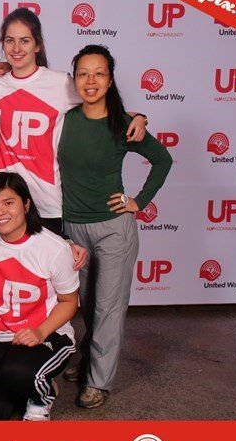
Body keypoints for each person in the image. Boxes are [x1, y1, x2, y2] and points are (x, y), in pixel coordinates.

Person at [58, 44, 172, 409]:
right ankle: (90, 360)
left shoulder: (123, 124)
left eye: (99, 73)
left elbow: (162, 160)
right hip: (74, 227)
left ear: (110, 79)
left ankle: (99, 381)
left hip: (113, 229)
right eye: (83, 74)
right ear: (74, 79)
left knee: (109, 307)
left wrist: (139, 201)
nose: (90, 81)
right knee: (88, 303)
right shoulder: (66, 119)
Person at [0, 8, 146, 237]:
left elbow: (98, 103)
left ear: (37, 45)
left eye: (25, 40)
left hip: (47, 202)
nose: (16, 48)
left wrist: (138, 116)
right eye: (10, 41)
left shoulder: (59, 83)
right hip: (4, 202)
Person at [0, 172, 79, 421]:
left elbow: (69, 301)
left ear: (27, 204)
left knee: (18, 371)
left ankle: (42, 395)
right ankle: (27, 383)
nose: (0, 212)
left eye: (9, 203)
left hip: (48, 334)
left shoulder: (53, 248)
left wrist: (40, 332)